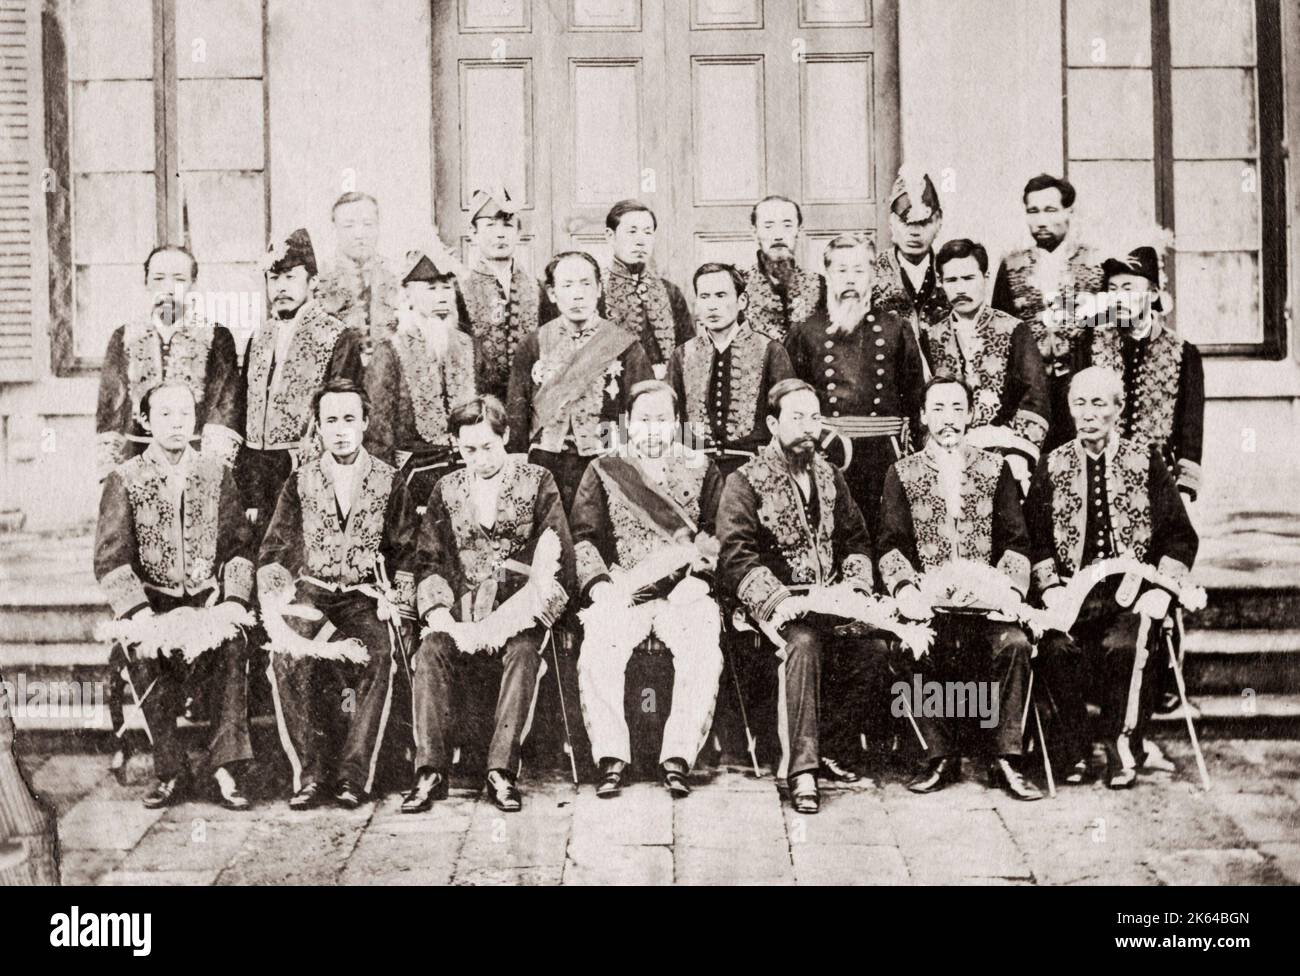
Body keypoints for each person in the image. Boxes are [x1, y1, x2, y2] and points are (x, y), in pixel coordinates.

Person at [717, 379, 887, 814]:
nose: (808, 428)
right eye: (797, 418)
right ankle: (802, 771)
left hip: (829, 597)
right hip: (772, 605)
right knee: (804, 643)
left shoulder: (830, 476)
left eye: (815, 417)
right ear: (773, 424)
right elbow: (736, 555)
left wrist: (855, 589)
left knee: (873, 650)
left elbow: (855, 539)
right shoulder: (744, 480)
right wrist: (777, 602)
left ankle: (829, 746)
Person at [1026, 367, 1198, 788]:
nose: (1087, 414)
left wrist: (1161, 590)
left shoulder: (1146, 461)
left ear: (1118, 409)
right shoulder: (1052, 466)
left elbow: (1179, 536)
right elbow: (1035, 540)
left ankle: (1123, 749)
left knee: (1125, 647)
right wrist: (1049, 588)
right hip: (1071, 596)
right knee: (1055, 648)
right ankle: (1074, 749)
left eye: (1099, 404)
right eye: (1079, 404)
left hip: (1131, 597)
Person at [876, 374, 1042, 801]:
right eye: (938, 410)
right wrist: (908, 593)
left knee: (1015, 645)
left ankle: (1006, 758)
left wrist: (1001, 591)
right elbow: (891, 545)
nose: (948, 420)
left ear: (970, 414)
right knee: (908, 646)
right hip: (931, 607)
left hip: (984, 607)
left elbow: (1016, 541)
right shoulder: (902, 472)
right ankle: (939, 755)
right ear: (923, 416)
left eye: (956, 409)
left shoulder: (995, 468)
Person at [406, 395, 573, 813]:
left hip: (520, 608)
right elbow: (428, 559)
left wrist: (522, 606)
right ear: (455, 446)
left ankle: (501, 771)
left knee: (522, 654)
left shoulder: (538, 481)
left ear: (507, 437)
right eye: (468, 450)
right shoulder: (447, 489)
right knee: (430, 650)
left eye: (488, 447)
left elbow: (557, 554)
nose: (479, 459)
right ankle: (430, 771)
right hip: (463, 613)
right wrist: (439, 612)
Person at [257, 379, 418, 810]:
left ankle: (353, 775)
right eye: (331, 421)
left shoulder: (389, 480)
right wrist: (278, 606)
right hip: (311, 594)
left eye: (350, 418)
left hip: (366, 596)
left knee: (380, 655)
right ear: (319, 428)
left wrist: (396, 602)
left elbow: (407, 553)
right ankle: (309, 774)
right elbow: (274, 551)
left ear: (365, 422)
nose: (341, 429)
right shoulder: (300, 481)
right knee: (286, 655)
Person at [93, 381, 254, 810]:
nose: (177, 422)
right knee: (142, 650)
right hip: (153, 606)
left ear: (196, 419)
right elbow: (110, 559)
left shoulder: (217, 474)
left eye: (185, 413)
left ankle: (226, 769)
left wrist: (233, 601)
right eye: (165, 414)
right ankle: (171, 770)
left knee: (235, 643)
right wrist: (139, 612)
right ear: (146, 421)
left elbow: (239, 548)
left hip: (206, 604)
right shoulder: (124, 478)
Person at [570, 380, 724, 799]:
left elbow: (717, 531)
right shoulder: (605, 468)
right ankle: (611, 757)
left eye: (662, 420)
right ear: (627, 424)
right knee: (598, 646)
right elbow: (583, 538)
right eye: (644, 420)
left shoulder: (701, 467)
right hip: (625, 589)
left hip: (683, 592)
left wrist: (701, 578)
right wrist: (599, 586)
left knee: (702, 648)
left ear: (676, 424)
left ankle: (677, 757)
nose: (653, 430)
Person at [785, 235, 925, 532]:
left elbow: (916, 402)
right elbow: (791, 400)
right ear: (827, 275)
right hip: (825, 455)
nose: (850, 280)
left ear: (873, 276)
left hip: (885, 457)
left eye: (859, 271)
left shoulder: (895, 329)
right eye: (841, 270)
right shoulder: (805, 333)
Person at [507, 251, 654, 510]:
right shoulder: (533, 344)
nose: (578, 294)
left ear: (598, 289)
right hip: (546, 462)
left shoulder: (624, 346)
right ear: (552, 294)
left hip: (606, 460)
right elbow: (517, 413)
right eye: (567, 285)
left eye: (586, 284)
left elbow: (646, 409)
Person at [242, 229, 364, 541]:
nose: (281, 287)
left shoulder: (338, 336)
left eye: (290, 278)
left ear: (312, 282)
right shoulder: (259, 337)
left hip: (306, 469)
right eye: (274, 279)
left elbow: (342, 410)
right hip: (259, 472)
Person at [95, 244, 242, 479]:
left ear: (194, 285)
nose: (168, 289)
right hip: (136, 462)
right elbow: (110, 409)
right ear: (146, 283)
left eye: (179, 279)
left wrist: (211, 473)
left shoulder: (216, 337)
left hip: (196, 461)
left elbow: (225, 405)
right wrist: (112, 475)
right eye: (159, 279)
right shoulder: (124, 337)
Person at [1073, 246, 1204, 502]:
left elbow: (1191, 427)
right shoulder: (1090, 343)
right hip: (1096, 478)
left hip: (1157, 482)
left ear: (1153, 292)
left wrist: (1185, 489)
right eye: (1112, 290)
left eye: (1128, 288)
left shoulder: (1183, 352)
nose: (1119, 297)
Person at [922, 238, 1050, 490]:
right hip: (946, 451)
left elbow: (1036, 397)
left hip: (1006, 452)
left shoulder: (1014, 330)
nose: (960, 289)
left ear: (985, 277)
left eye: (969, 278)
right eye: (952, 280)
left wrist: (1018, 452)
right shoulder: (930, 337)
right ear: (941, 283)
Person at [992, 174, 1104, 451]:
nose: (1041, 220)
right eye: (1033, 211)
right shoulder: (1011, 267)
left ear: (1069, 212)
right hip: (1029, 399)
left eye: (1050, 210)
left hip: (1081, 396)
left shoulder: (1096, 265)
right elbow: (999, 337)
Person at [365, 250, 477, 505]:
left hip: (468, 471)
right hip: (414, 477)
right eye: (431, 289)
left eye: (446, 288)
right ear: (409, 296)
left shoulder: (468, 346)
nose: (441, 297)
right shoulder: (390, 352)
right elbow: (377, 435)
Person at [667, 262, 794, 480]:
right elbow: (667, 416)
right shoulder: (682, 355)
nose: (712, 305)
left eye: (721, 295)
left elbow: (788, 417)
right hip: (695, 474)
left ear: (741, 301)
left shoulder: (771, 351)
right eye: (705, 297)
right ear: (696, 304)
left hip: (755, 472)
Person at [459, 187, 540, 400]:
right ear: (473, 233)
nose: (500, 234)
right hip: (479, 404)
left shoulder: (538, 288)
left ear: (519, 232)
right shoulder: (459, 291)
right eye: (490, 225)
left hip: (531, 398)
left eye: (508, 225)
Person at [596, 200, 695, 372]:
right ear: (610, 236)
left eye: (647, 232)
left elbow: (687, 350)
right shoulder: (596, 291)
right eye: (632, 232)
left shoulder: (671, 292)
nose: (640, 241)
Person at [315, 191, 401, 354]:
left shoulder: (396, 275)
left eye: (368, 224)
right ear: (335, 230)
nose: (359, 235)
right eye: (349, 226)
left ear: (378, 226)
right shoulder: (320, 279)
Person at [872, 167, 950, 341]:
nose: (914, 232)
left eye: (923, 223)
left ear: (938, 221)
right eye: (905, 223)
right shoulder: (870, 273)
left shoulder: (951, 272)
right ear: (892, 222)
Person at [741, 196, 826, 342]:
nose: (778, 236)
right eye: (768, 226)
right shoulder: (740, 285)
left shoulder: (819, 285)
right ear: (754, 233)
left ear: (799, 230)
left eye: (787, 225)